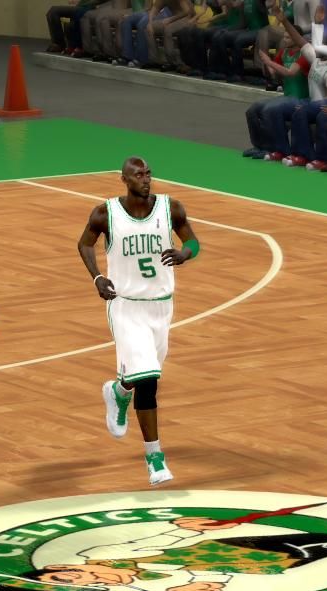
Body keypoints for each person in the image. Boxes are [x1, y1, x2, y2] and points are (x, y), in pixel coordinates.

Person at [77, 157, 200, 485]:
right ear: (124, 179)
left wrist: (185, 253)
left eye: (148, 174)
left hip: (161, 306)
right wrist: (97, 277)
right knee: (148, 380)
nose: (145, 179)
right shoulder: (105, 213)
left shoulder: (170, 208)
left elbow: (192, 240)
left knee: (145, 372)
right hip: (126, 306)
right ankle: (154, 457)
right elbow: (85, 243)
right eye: (138, 175)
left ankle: (119, 391)